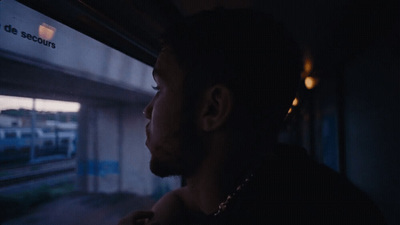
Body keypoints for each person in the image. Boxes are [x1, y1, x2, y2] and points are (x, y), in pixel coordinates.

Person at [118, 8, 386, 225]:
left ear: (213, 108)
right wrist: (167, 209)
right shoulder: (279, 175)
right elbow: (190, 198)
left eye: (159, 89)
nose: (148, 110)